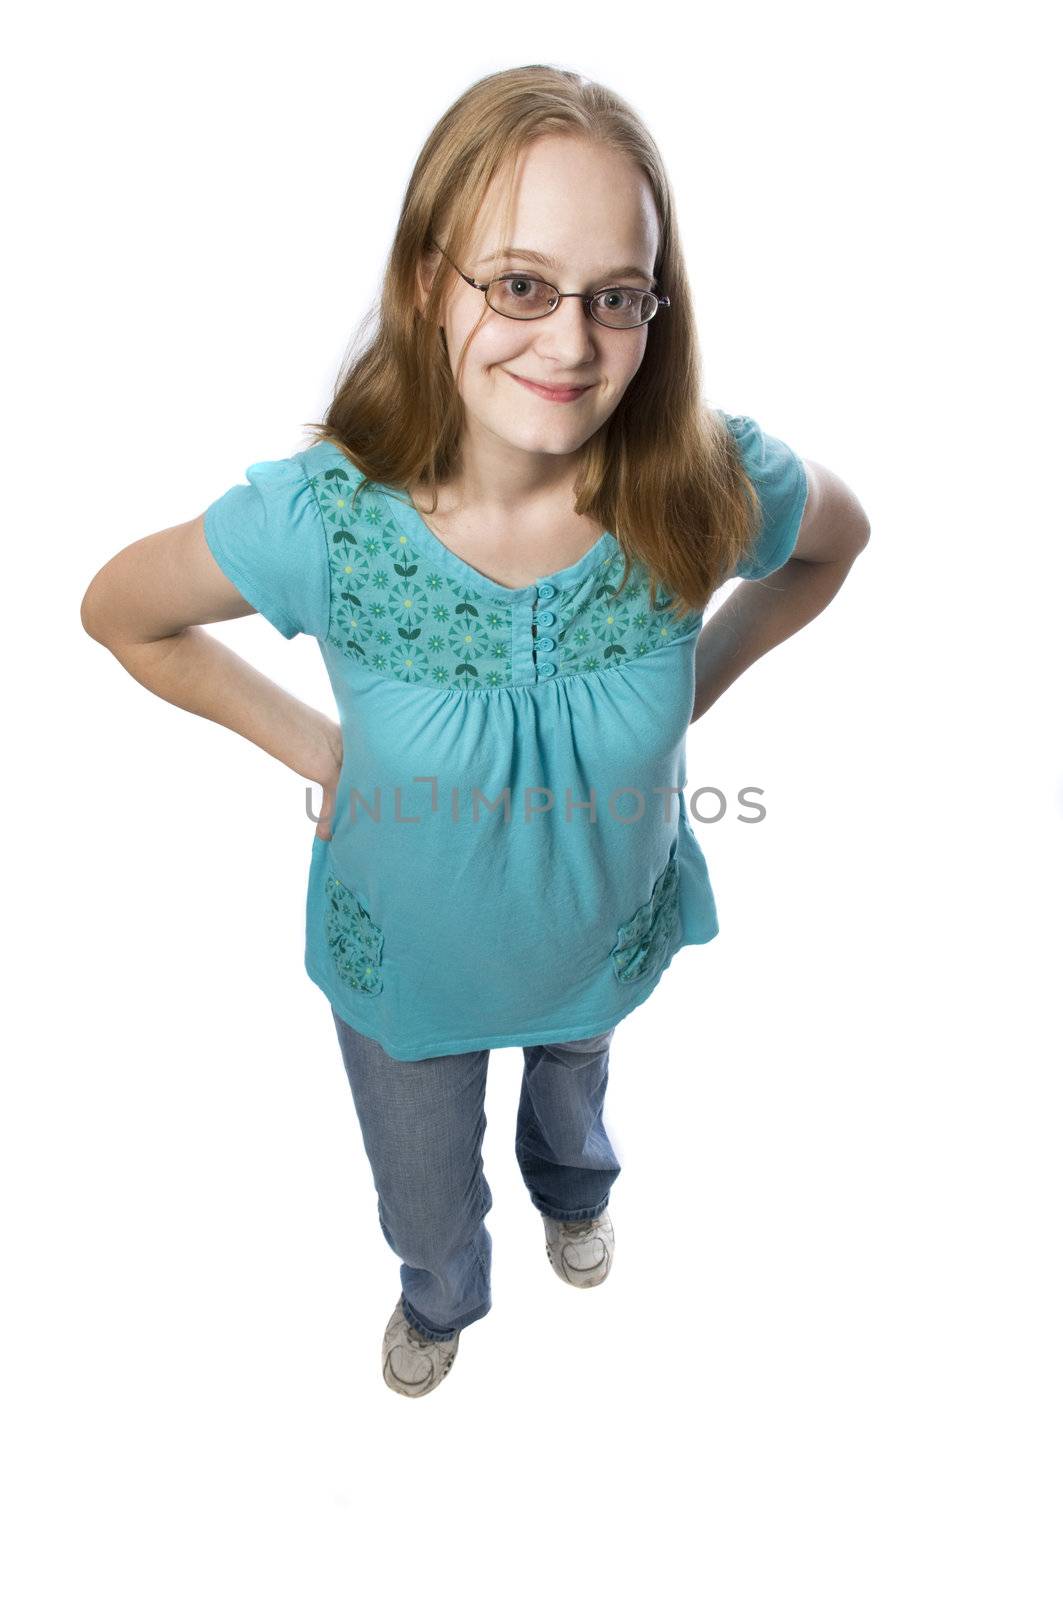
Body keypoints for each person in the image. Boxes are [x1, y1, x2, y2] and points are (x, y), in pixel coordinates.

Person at [80, 65, 870, 1400]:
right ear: (425, 277)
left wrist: (701, 687)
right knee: (424, 1172)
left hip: (598, 927)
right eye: (519, 284)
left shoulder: (703, 484)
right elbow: (120, 613)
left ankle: (575, 1190)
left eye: (613, 296)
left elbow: (836, 545)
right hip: (414, 974)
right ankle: (442, 1292)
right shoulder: (323, 523)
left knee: (576, 1085)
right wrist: (319, 751)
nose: (569, 344)